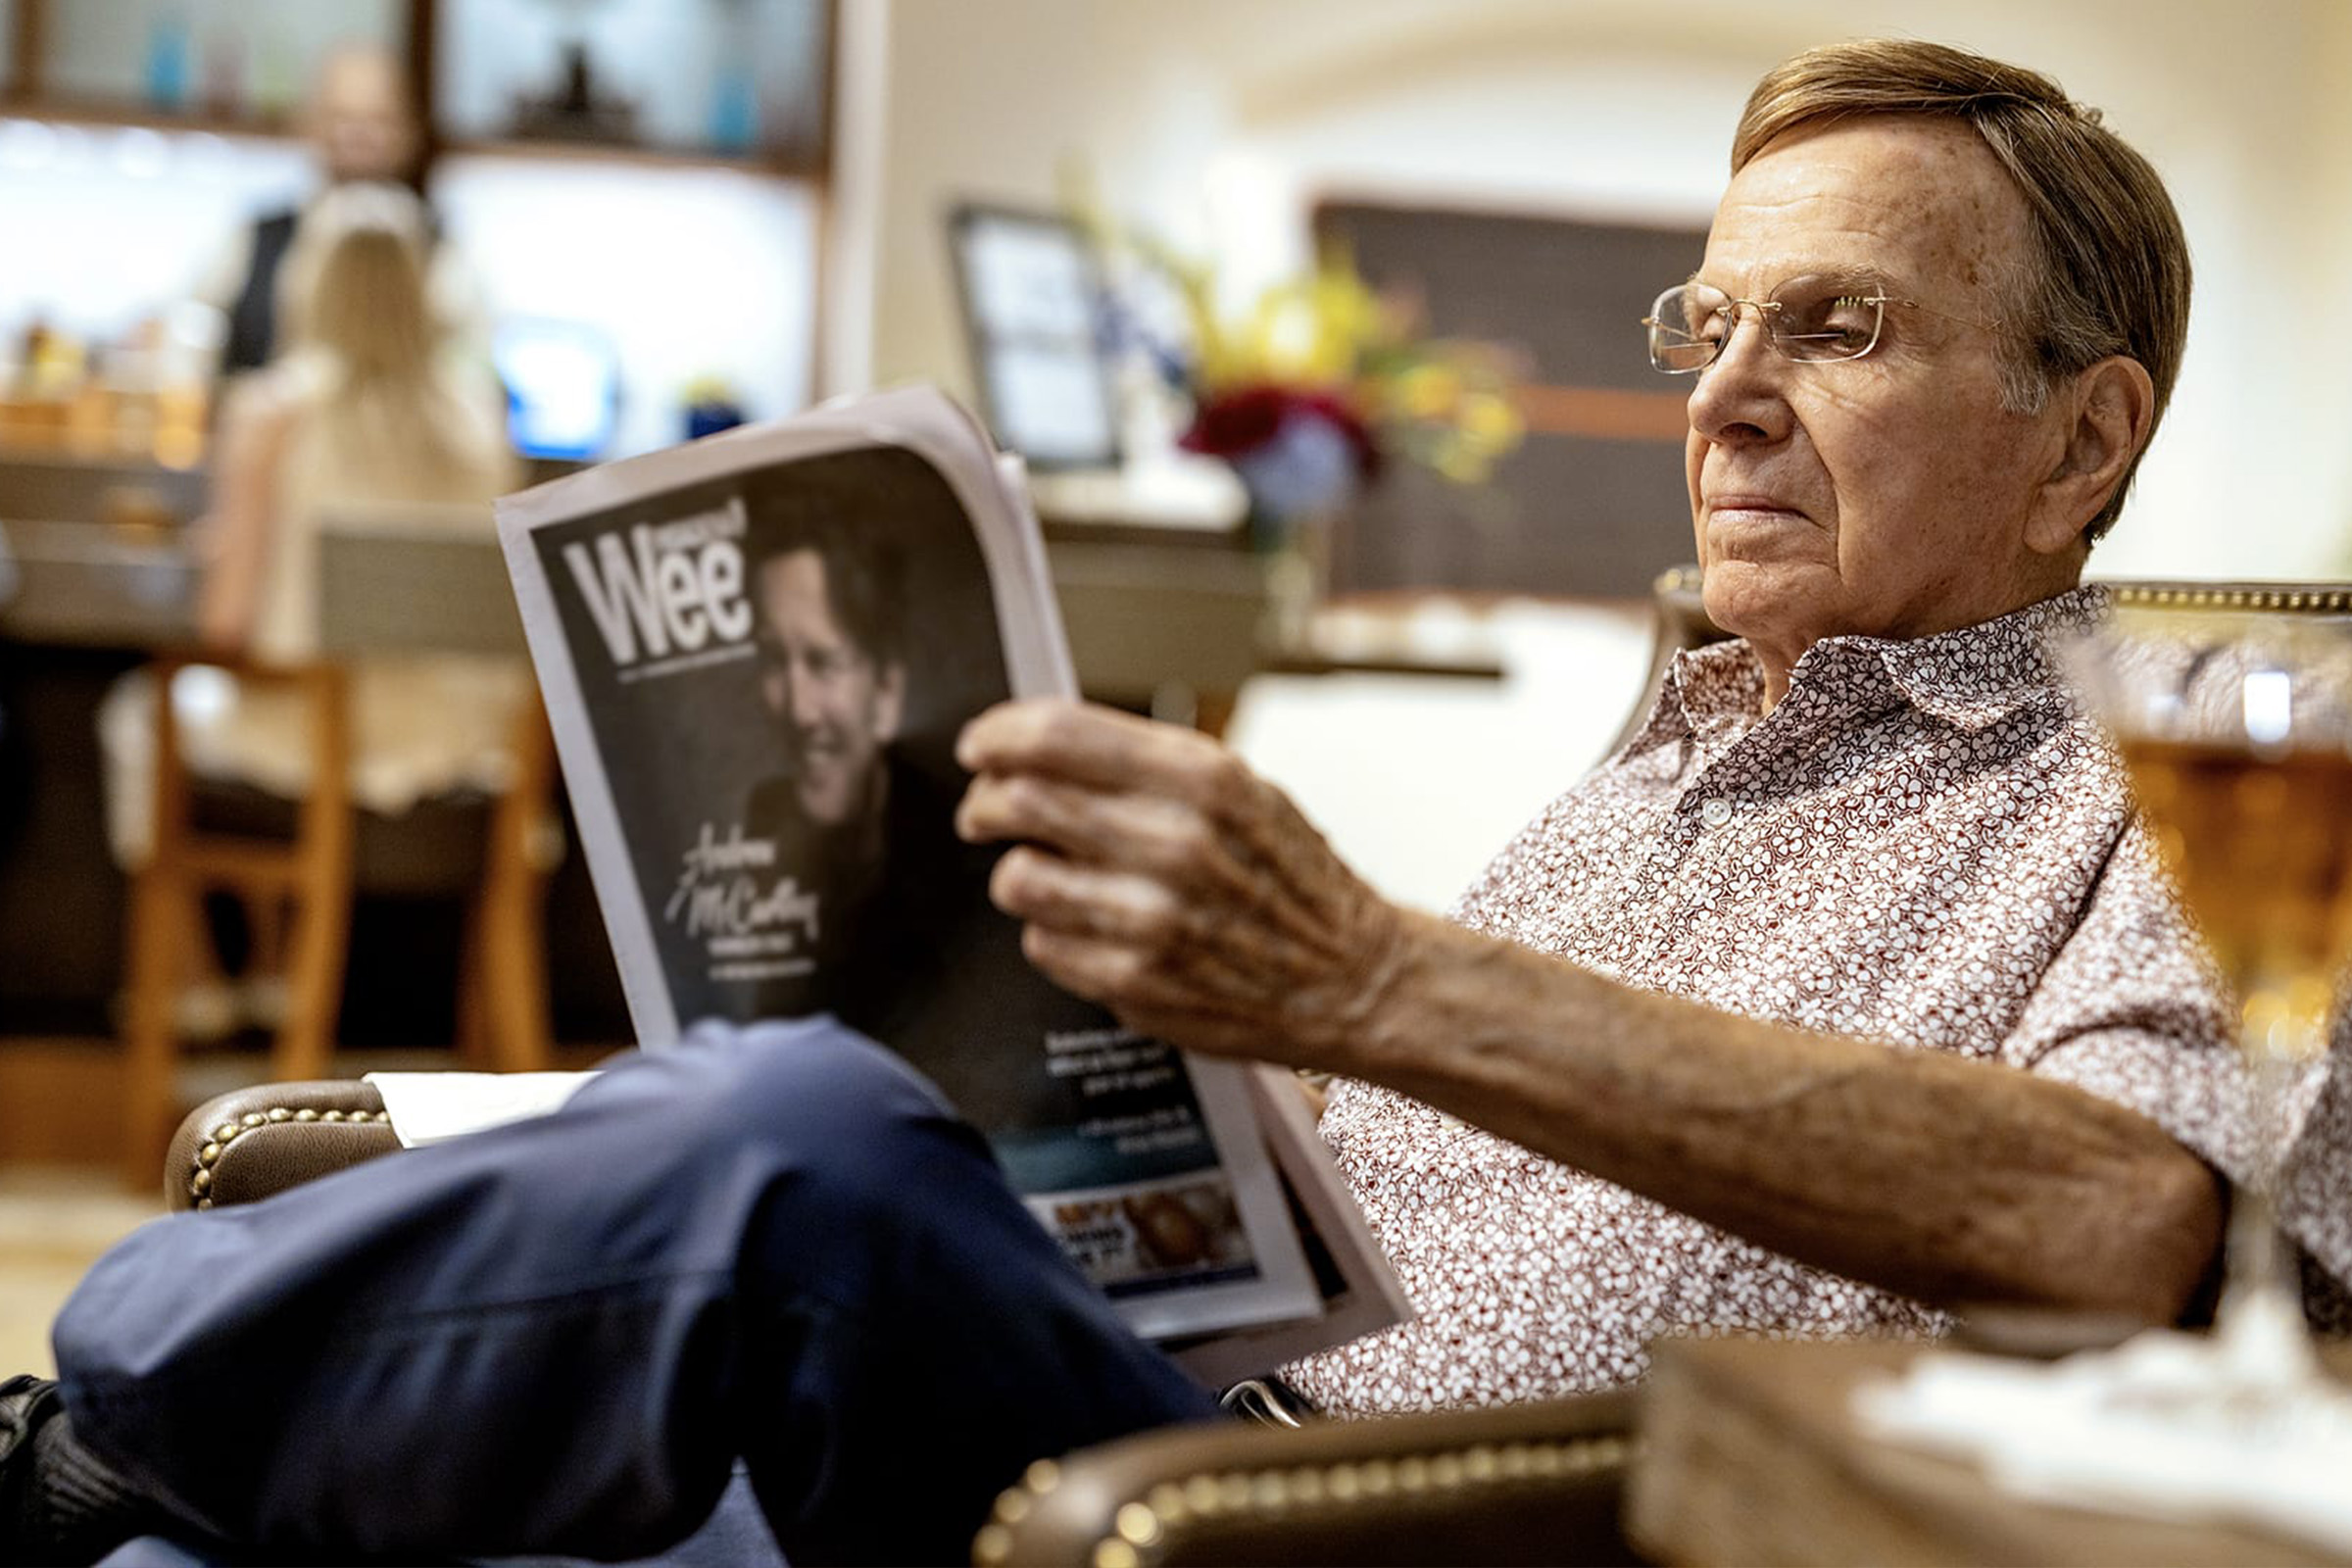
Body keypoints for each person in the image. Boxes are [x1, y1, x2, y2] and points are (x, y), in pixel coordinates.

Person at [7, 35, 2348, 1567]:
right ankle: (112, 1465)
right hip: (1137, 1377)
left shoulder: (2196, 766)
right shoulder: (1687, 727)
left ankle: (72, 1414)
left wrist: (1365, 970)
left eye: (1829, 329)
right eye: (1702, 323)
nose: (1721, 394)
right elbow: (1401, 1142)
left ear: (2083, 437)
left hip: (1328, 1519)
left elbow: (2121, 1216)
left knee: (794, 1150)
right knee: (302, 1469)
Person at [194, 44, 486, 379]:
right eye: (341, 117)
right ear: (308, 124)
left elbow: (474, 373)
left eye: (378, 119)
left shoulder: (441, 253)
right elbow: (188, 339)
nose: (357, 134)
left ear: (409, 132)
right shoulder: (254, 240)